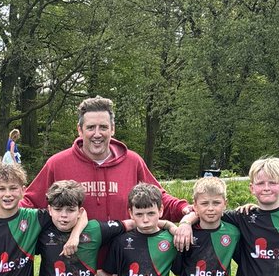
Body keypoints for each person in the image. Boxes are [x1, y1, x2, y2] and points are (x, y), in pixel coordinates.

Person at [18, 96, 192, 229]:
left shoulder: (132, 162)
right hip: (76, 263)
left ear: (112, 129)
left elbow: (158, 198)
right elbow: (30, 202)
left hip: (123, 259)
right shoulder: (57, 164)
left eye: (103, 127)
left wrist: (184, 209)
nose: (97, 134)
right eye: (90, 127)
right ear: (80, 130)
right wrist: (1, 212)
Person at [171, 175, 241, 276]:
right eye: (204, 203)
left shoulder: (233, 232)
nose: (210, 208)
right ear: (195, 206)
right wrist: (184, 223)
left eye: (216, 203)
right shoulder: (185, 234)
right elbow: (177, 269)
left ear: (225, 204)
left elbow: (247, 259)